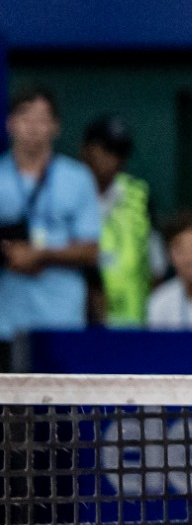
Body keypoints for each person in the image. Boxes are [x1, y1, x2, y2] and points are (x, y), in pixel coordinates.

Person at [0, 89, 101, 340]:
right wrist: (8, 253)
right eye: (25, 117)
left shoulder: (78, 178)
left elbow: (90, 250)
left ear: (55, 127)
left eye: (41, 119)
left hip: (62, 317)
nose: (33, 127)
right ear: (10, 123)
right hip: (6, 319)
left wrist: (40, 255)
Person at [79, 115, 151, 329]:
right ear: (86, 150)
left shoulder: (139, 196)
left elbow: (154, 266)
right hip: (77, 324)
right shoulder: (65, 193)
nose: (114, 159)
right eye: (106, 150)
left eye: (120, 152)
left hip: (131, 324)